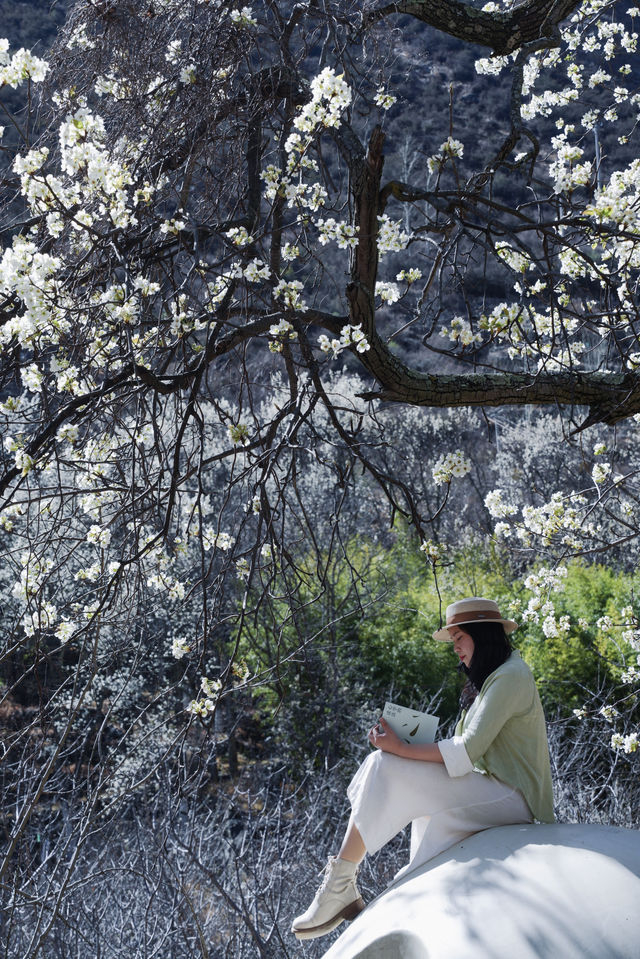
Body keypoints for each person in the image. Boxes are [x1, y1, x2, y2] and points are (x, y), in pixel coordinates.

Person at [291, 596, 555, 941]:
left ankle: (339, 885)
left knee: (387, 762)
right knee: (387, 768)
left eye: (459, 638)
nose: (455, 648)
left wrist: (402, 748)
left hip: (516, 799)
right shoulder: (493, 676)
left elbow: (467, 749)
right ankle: (343, 886)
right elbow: (465, 751)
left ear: (481, 634)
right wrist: (403, 746)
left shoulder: (510, 677)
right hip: (491, 789)